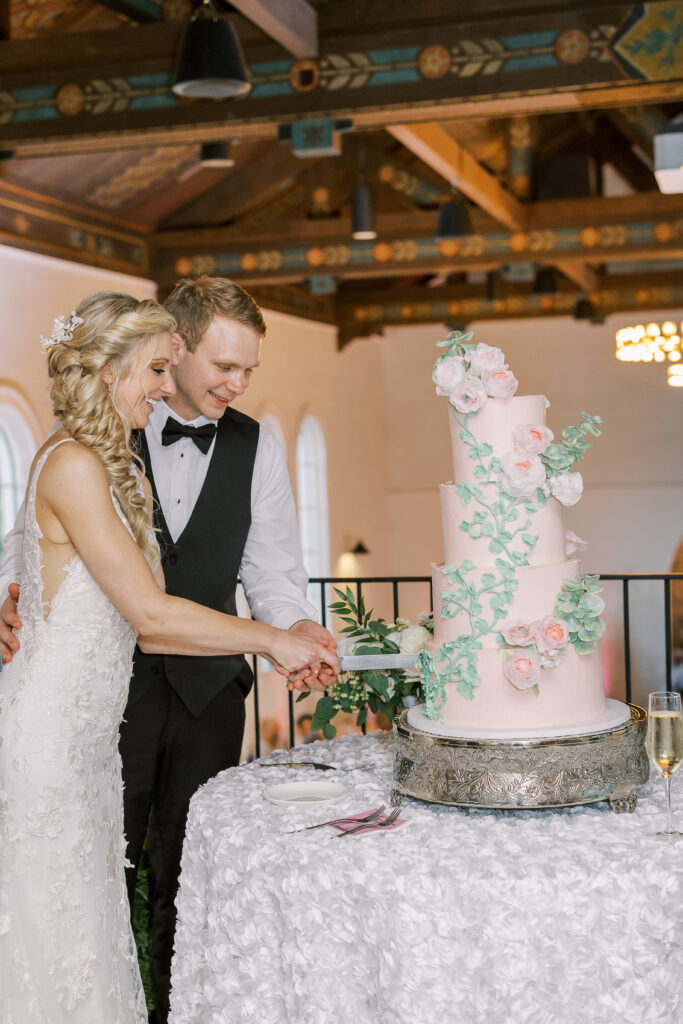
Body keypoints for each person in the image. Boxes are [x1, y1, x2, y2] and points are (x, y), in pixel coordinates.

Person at [0, 278, 337, 1023]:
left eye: (249, 370)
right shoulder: (82, 457)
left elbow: (270, 566)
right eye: (163, 367)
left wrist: (294, 631)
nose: (236, 384)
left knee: (145, 892)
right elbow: (128, 602)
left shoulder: (232, 445)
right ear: (129, 364)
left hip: (168, 702)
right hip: (85, 715)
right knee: (61, 915)